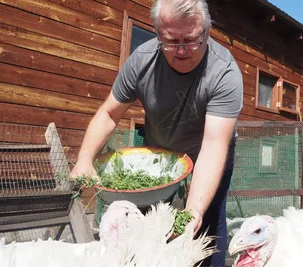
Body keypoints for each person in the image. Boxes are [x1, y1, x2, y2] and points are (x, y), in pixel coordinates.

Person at [70, 0, 243, 265]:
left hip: (208, 154)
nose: (182, 51)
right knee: (149, 225)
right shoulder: (142, 60)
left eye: (192, 40)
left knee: (206, 226)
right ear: (158, 32)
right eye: (171, 41)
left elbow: (213, 146)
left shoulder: (224, 72)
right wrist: (84, 158)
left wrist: (193, 211)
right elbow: (109, 113)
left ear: (206, 32)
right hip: (160, 155)